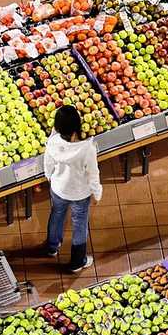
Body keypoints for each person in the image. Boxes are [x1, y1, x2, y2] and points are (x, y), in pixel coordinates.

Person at [42, 105, 101, 272]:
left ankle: (52, 247)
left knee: (57, 214)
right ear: (77, 126)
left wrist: (50, 177)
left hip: (58, 188)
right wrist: (97, 193)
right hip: (80, 193)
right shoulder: (86, 149)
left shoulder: (53, 142)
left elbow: (48, 163)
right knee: (79, 224)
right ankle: (77, 261)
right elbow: (93, 174)